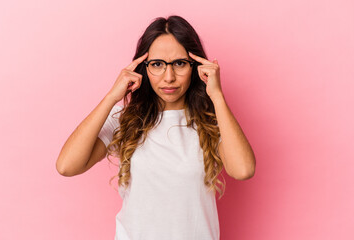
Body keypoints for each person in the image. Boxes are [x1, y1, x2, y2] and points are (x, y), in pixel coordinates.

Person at [56, 15, 256, 240]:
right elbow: (66, 166)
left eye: (180, 63)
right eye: (157, 64)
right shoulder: (124, 119)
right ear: (143, 68)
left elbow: (243, 170)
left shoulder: (212, 120)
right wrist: (112, 97)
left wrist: (217, 96)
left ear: (196, 67)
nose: (168, 77)